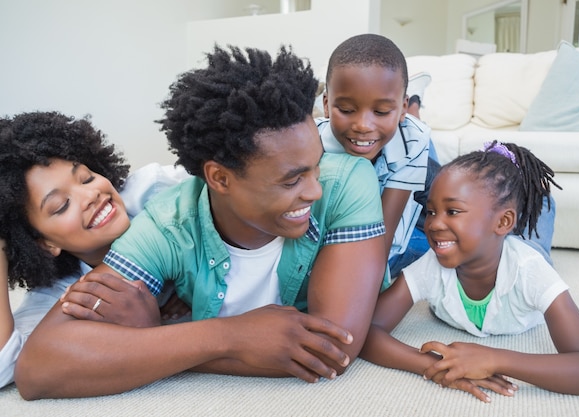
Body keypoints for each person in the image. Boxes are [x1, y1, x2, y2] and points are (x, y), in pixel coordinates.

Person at [14, 45, 390, 400]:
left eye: (316, 165)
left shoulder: (347, 183)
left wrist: (153, 338)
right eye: (291, 180)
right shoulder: (165, 224)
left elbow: (333, 349)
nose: (315, 191)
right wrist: (231, 336)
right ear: (220, 178)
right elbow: (36, 369)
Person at [360, 141, 579, 398]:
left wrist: (493, 358)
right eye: (432, 211)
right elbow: (365, 331)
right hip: (494, 240)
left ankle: (541, 199)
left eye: (453, 211)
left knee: (536, 236)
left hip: (524, 250)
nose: (433, 224)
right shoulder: (431, 265)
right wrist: (439, 365)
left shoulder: (531, 271)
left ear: (503, 221)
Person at [0, 111, 191, 388]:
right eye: (61, 206)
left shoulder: (154, 189)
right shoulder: (63, 293)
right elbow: (7, 367)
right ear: (44, 243)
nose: (90, 195)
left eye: (87, 178)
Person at [316, 34, 440, 278]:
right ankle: (411, 105)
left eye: (381, 110)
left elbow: (380, 240)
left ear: (399, 107)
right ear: (326, 105)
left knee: (456, 247)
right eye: (347, 110)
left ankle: (413, 105)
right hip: (393, 138)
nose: (363, 125)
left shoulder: (412, 142)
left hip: (410, 162)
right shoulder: (312, 143)